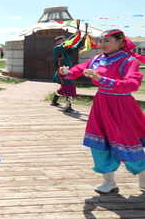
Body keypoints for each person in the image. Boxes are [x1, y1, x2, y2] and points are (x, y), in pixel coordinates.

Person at [60, 29, 145, 194]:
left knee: (127, 142)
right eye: (101, 41)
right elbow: (79, 69)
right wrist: (67, 72)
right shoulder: (97, 59)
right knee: (99, 142)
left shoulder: (129, 61)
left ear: (121, 42)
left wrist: (102, 79)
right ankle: (109, 181)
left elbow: (132, 84)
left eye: (107, 41)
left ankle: (143, 175)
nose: (102, 44)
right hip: (101, 104)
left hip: (122, 106)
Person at [51, 31, 85, 113]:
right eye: (62, 41)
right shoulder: (57, 48)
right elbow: (65, 44)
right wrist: (74, 35)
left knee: (64, 88)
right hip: (62, 72)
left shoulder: (67, 50)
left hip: (67, 71)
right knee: (70, 87)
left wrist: (82, 39)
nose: (64, 42)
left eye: (64, 40)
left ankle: (54, 101)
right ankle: (68, 107)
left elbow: (76, 47)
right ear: (57, 43)